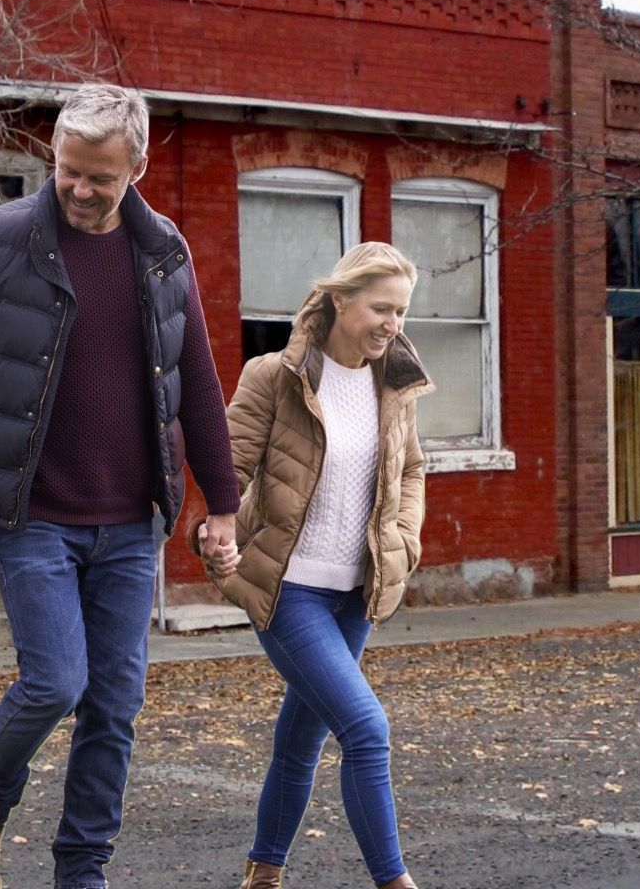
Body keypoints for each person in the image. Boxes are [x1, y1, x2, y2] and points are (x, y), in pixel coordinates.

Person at [0, 83, 242, 889]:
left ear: (138, 166)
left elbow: (197, 383)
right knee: (56, 680)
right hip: (32, 510)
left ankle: (81, 871)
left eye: (102, 177)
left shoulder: (165, 253)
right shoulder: (2, 240)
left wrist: (222, 502)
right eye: (68, 171)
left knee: (114, 706)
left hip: (130, 518)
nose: (81, 190)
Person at [197, 242, 432, 889]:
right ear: (339, 301)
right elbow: (229, 468)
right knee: (365, 727)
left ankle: (262, 876)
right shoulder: (274, 375)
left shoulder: (396, 385)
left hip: (355, 592)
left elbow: (411, 469)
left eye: (402, 312)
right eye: (382, 308)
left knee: (301, 742)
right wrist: (212, 531)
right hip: (288, 589)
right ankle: (394, 883)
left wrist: (405, 538)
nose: (394, 324)